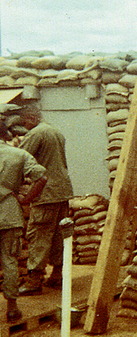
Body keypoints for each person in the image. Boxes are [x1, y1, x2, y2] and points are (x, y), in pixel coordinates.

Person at [18, 106, 74, 295]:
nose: (24, 127)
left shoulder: (37, 133)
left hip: (46, 193)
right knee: (59, 236)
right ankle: (57, 275)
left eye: (24, 122)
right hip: (62, 190)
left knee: (39, 235)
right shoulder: (55, 131)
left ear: (32, 117)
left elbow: (20, 158)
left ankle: (34, 281)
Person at [0, 120, 47, 321]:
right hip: (9, 212)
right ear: (6, 134)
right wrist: (27, 198)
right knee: (9, 260)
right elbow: (42, 177)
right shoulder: (19, 154)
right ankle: (11, 308)